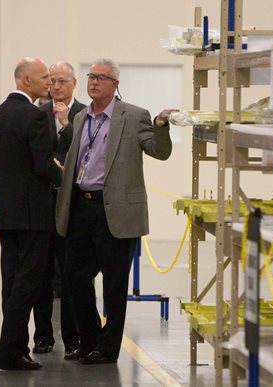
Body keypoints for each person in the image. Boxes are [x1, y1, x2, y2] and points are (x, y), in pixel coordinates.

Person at [55, 58, 175, 364]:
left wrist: (161, 127)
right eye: (91, 76)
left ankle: (107, 349)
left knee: (114, 283)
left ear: (115, 84)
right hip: (82, 206)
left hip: (116, 211)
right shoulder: (81, 117)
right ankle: (90, 338)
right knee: (75, 276)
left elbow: (159, 151)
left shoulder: (134, 116)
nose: (94, 82)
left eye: (101, 78)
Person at [0, 57, 62, 371]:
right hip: (33, 213)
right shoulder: (35, 116)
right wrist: (65, 177)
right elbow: (42, 165)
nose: (49, 83)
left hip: (7, 213)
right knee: (27, 283)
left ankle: (14, 347)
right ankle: (10, 351)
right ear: (26, 81)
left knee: (11, 280)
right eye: (44, 78)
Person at [33, 62, 84, 357]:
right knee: (41, 273)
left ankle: (73, 337)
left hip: (72, 203)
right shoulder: (37, 114)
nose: (56, 87)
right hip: (42, 203)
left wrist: (66, 125)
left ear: (74, 83)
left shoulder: (84, 114)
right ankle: (43, 336)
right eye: (51, 81)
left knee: (71, 273)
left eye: (62, 81)